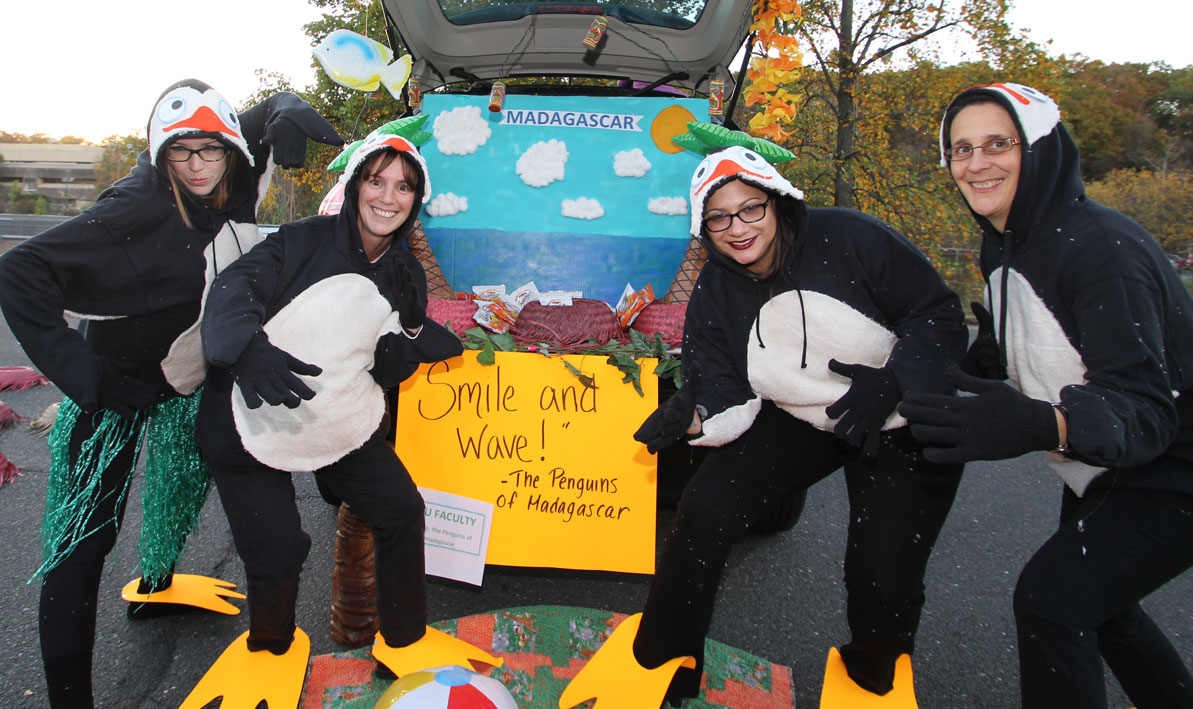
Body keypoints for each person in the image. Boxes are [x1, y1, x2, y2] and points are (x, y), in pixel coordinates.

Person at [561, 144, 968, 708]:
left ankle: (874, 676)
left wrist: (895, 379)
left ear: (777, 202)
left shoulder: (853, 237)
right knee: (703, 512)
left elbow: (940, 316)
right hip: (803, 414)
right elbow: (721, 386)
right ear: (704, 226)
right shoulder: (715, 289)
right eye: (719, 217)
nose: (737, 227)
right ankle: (663, 656)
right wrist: (693, 414)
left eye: (750, 208)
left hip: (900, 413)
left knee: (880, 573)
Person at [0, 79, 341, 708]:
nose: (198, 166)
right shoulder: (137, 203)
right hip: (113, 390)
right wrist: (89, 380)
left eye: (211, 151)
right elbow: (18, 271)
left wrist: (290, 106)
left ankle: (156, 582)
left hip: (180, 377)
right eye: (182, 153)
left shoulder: (230, 175)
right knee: (83, 543)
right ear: (161, 154)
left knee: (178, 487)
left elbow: (259, 116)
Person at [185, 119, 501, 706]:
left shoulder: (405, 273)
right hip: (251, 411)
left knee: (402, 508)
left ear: (415, 201)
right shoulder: (301, 239)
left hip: (336, 418)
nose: (388, 197)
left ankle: (403, 637)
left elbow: (385, 364)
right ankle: (270, 653)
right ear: (357, 185)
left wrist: (406, 350)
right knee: (278, 549)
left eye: (403, 187)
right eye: (377, 181)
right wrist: (247, 349)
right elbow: (234, 291)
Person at [899, 82, 1193, 709]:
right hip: (1105, 460)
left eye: (998, 144)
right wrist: (989, 359)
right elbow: (1057, 336)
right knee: (1104, 609)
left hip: (1171, 465)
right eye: (961, 149)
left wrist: (1047, 425)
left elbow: (1144, 405)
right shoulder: (1003, 239)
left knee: (1051, 604)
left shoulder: (1098, 246)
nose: (977, 164)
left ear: (1039, 148)